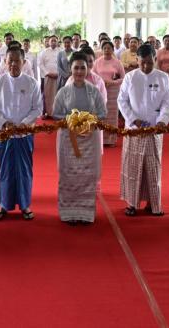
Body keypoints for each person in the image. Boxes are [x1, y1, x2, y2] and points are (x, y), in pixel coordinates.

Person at [0, 47, 43, 221]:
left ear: (23, 62)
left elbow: (38, 108)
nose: (13, 64)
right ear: (5, 62)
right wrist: (3, 122)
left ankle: (25, 205)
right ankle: (3, 204)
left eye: (17, 60)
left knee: (25, 169)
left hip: (24, 134)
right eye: (10, 60)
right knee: (4, 170)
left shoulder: (32, 83)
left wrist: (25, 123)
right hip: (3, 134)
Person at [118, 44, 169, 217]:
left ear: (155, 60)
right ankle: (131, 203)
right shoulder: (130, 77)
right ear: (137, 60)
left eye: (149, 62)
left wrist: (162, 121)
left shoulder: (163, 77)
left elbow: (168, 102)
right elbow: (122, 100)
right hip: (134, 129)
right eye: (142, 62)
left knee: (153, 166)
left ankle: (153, 203)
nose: (146, 66)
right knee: (132, 166)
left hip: (154, 129)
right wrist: (133, 119)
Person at [53, 52, 107, 225]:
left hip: (89, 141)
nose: (79, 71)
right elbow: (56, 114)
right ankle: (69, 213)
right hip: (68, 140)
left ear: (88, 68)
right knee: (68, 175)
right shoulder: (63, 92)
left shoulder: (94, 91)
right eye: (76, 68)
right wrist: (72, 121)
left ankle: (85, 214)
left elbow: (103, 113)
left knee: (87, 176)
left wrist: (87, 121)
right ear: (70, 69)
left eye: (82, 68)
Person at [93, 41, 126, 146]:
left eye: (109, 48)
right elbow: (93, 77)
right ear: (102, 50)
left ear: (112, 50)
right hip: (100, 91)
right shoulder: (97, 62)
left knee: (112, 116)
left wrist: (112, 82)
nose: (107, 50)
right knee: (101, 114)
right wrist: (101, 82)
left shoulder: (117, 62)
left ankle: (111, 140)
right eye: (105, 48)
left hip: (113, 91)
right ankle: (101, 140)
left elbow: (123, 78)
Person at [38, 35, 60, 118]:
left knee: (57, 95)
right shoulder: (44, 52)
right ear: (49, 42)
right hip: (47, 76)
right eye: (52, 41)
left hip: (58, 77)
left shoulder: (61, 52)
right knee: (47, 95)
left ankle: (56, 113)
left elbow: (62, 65)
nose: (53, 42)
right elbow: (40, 64)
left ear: (57, 42)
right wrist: (47, 73)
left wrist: (58, 74)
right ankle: (47, 113)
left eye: (55, 41)